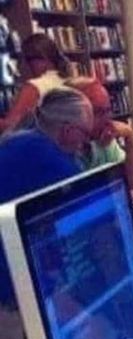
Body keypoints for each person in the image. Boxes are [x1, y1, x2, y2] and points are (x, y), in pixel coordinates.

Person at [0, 88, 92, 313]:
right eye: (85, 134)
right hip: (12, 273)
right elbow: (86, 200)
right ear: (68, 131)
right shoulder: (44, 155)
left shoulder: (21, 140)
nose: (87, 141)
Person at [69, 78, 133, 195]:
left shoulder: (103, 140)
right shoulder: (63, 153)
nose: (107, 120)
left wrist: (130, 138)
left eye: (108, 111)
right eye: (99, 112)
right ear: (73, 115)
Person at [0, 33, 69, 133]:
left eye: (27, 60)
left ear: (43, 59)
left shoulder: (35, 86)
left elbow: (10, 126)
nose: (23, 65)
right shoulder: (67, 81)